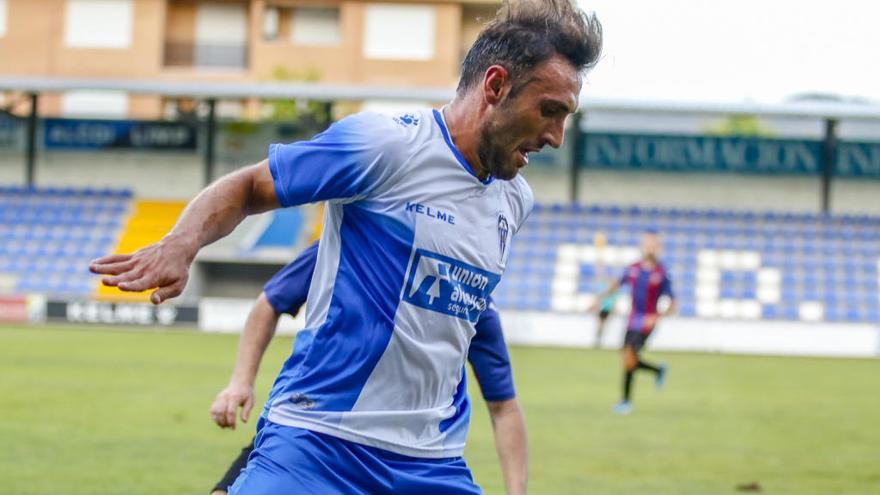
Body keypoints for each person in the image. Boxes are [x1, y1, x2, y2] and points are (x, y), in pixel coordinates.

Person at [90, 1, 601, 492]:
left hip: (431, 464)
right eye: (549, 111)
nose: (556, 136)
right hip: (320, 444)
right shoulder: (387, 145)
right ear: (496, 85)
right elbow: (250, 188)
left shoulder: (515, 202)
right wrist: (182, 243)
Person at [208, 242, 528, 495]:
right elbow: (271, 301)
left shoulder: (467, 297)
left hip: (416, 457)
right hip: (316, 429)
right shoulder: (354, 244)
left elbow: (504, 406)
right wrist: (240, 381)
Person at [594, 231, 676, 415]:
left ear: (658, 248)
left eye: (653, 245)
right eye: (647, 244)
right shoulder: (633, 268)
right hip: (632, 319)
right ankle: (655, 372)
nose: (650, 248)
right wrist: (599, 299)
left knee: (629, 354)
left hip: (646, 322)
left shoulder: (661, 273)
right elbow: (617, 284)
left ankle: (625, 401)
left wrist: (657, 316)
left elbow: (673, 303)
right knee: (627, 359)